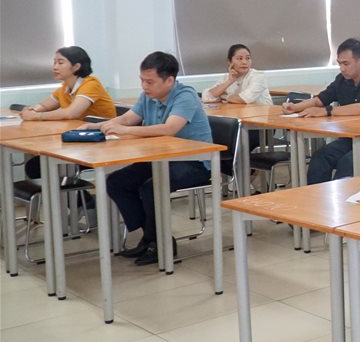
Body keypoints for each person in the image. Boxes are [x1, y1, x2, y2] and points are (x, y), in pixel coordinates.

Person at [84, 52, 212, 266]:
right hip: (160, 158)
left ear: (169, 80)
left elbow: (169, 129)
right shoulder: (148, 96)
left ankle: (159, 243)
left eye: (150, 82)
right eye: (142, 80)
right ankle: (152, 237)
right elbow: (128, 119)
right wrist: (97, 126)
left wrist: (125, 131)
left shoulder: (185, 96)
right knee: (116, 182)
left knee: (151, 187)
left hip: (194, 161)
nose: (144, 86)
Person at [282, 38, 360, 183]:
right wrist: (295, 107)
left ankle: (341, 197)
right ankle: (316, 196)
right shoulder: (342, 79)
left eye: (346, 64)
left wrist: (328, 111)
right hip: (351, 137)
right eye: (339, 63)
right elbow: (319, 100)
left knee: (347, 162)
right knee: (320, 158)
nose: (342, 68)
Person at [19, 46, 117, 179]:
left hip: (99, 142)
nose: (55, 67)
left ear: (76, 66)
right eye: (54, 62)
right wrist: (32, 110)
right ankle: (63, 192)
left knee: (38, 165)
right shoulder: (65, 87)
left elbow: (72, 113)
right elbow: (44, 105)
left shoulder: (91, 84)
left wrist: (36, 116)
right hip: (77, 139)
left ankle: (71, 192)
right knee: (37, 164)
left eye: (60, 62)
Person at [201, 43, 272, 104]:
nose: (244, 62)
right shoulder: (227, 77)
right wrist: (229, 81)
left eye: (248, 58)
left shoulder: (258, 76)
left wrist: (224, 96)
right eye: (240, 58)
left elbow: (245, 99)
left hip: (261, 114)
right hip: (237, 113)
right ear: (229, 61)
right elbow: (206, 97)